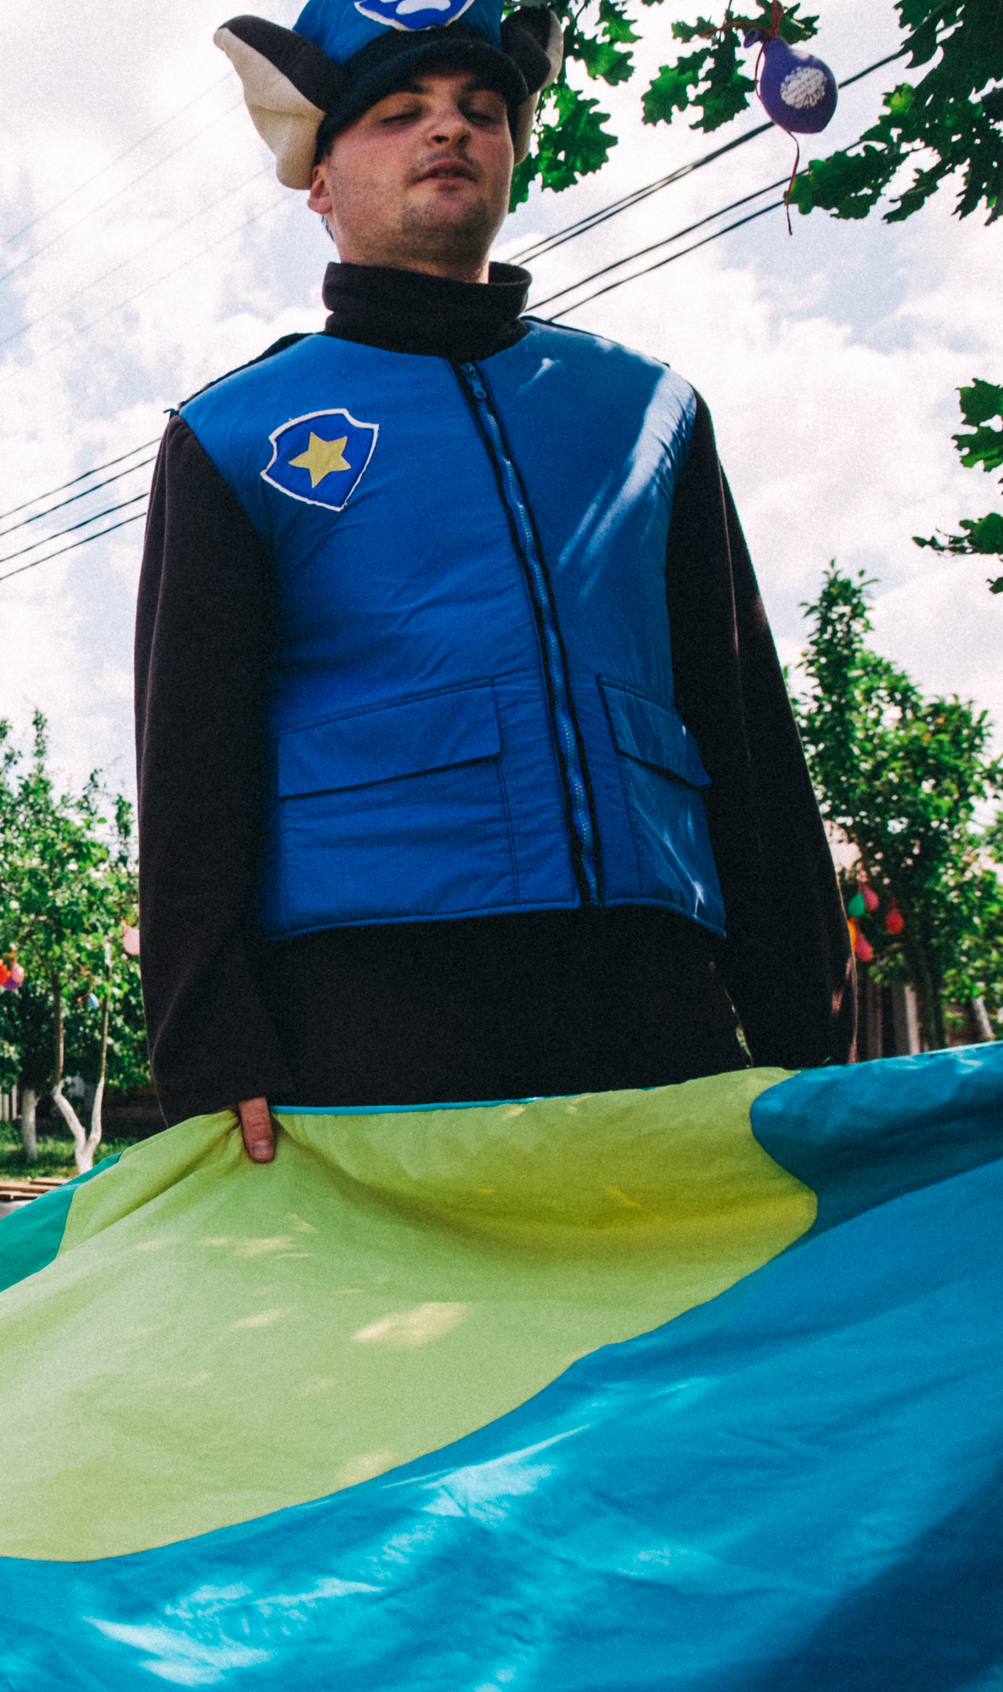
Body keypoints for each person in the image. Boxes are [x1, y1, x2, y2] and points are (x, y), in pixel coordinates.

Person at [139, 0, 853, 1160]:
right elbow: (191, 767)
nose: (449, 131)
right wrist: (212, 1042)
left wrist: (807, 1029)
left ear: (515, 154)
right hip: (368, 1003)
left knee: (675, 1326)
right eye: (397, 113)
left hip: (649, 986)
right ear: (317, 181)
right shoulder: (231, 434)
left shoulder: (647, 413)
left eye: (481, 110)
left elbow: (744, 727)